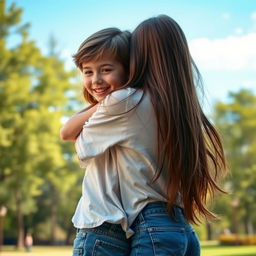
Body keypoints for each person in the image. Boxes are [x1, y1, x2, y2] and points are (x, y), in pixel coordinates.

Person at [61, 15, 227, 256]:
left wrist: (104, 103)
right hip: (180, 226)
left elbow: (74, 137)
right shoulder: (181, 107)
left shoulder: (126, 100)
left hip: (137, 224)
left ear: (139, 57)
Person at [60, 27, 132, 255]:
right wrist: (105, 103)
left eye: (106, 70)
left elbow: (67, 131)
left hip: (105, 227)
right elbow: (67, 131)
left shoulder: (124, 103)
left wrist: (108, 102)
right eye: (88, 72)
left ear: (129, 69)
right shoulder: (113, 106)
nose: (96, 80)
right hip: (104, 227)